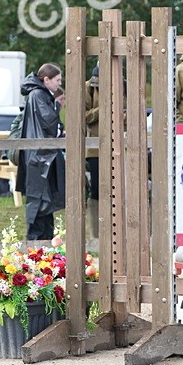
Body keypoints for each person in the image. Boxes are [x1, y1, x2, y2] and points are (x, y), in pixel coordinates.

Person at [15, 63, 66, 240]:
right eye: (57, 80)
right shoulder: (38, 95)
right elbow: (49, 122)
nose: (59, 84)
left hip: (41, 154)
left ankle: (45, 246)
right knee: (38, 202)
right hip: (39, 155)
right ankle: (35, 246)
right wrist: (60, 128)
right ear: (46, 79)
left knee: (46, 202)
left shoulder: (40, 94)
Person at [83, 65, 101, 244]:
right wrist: (104, 109)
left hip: (122, 145)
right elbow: (83, 115)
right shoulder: (88, 87)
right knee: (96, 190)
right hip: (95, 148)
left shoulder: (124, 84)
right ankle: (95, 234)